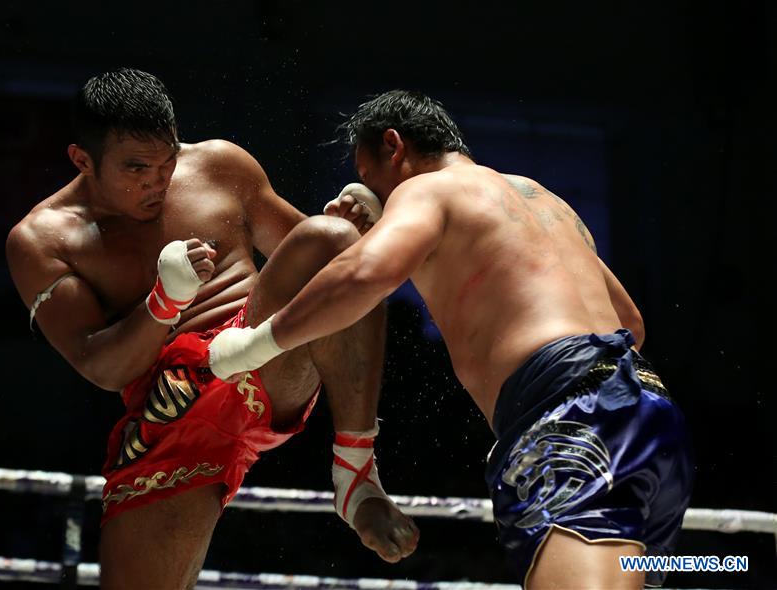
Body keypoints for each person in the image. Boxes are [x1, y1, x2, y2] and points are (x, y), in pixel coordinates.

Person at [209, 90, 694, 589]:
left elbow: (364, 274)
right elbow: (629, 324)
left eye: (368, 174)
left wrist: (257, 343)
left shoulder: (428, 190)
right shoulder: (543, 199)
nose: (373, 190)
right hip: (652, 417)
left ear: (393, 146)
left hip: (572, 419)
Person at [5, 69, 418, 589]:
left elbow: (335, 274)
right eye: (136, 168)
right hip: (170, 406)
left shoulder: (220, 165)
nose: (157, 181)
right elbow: (101, 367)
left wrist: (359, 232)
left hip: (263, 353)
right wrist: (163, 303)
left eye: (166, 161)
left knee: (330, 238)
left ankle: (356, 474)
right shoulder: (43, 240)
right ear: (82, 160)